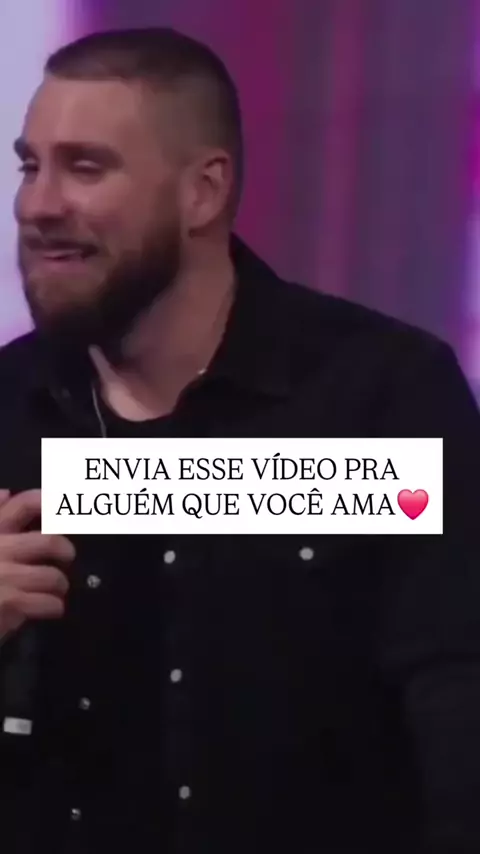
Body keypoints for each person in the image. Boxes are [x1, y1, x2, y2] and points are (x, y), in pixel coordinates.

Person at [0, 26, 479, 854]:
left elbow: (457, 714)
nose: (37, 205)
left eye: (86, 167)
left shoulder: (378, 396)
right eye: (29, 165)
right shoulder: (9, 405)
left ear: (204, 191)